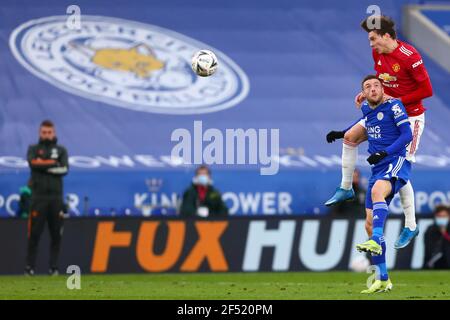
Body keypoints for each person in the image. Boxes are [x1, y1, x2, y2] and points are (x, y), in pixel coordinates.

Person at [325, 15, 433, 250]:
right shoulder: (378, 54)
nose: (370, 44)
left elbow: (427, 89)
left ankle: (411, 225)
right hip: (385, 113)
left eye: (373, 39)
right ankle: (346, 187)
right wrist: (369, 93)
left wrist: (395, 102)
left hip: (410, 117)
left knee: (401, 167)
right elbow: (384, 81)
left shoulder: (410, 56)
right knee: (349, 136)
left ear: (386, 36)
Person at [346, 75, 412, 293]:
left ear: (383, 89)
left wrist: (386, 151)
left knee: (376, 191)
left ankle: (376, 238)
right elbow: (365, 124)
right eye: (368, 87)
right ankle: (383, 278)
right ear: (363, 94)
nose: (373, 89)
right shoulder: (367, 109)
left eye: (377, 85)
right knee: (368, 222)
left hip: (395, 161)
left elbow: (407, 135)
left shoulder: (394, 106)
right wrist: (342, 132)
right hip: (377, 168)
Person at [25, 120, 69, 276]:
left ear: (54, 133)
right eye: (44, 132)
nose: (47, 135)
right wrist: (51, 164)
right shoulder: (33, 148)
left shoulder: (61, 150)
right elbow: (32, 164)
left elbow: (64, 169)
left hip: (56, 199)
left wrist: (42, 165)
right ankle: (29, 268)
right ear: (39, 133)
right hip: (38, 198)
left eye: (49, 132)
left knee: (56, 235)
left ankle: (54, 268)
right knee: (34, 235)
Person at [423, 205, 450, 269]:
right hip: (434, 264)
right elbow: (429, 248)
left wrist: (444, 233)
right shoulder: (430, 230)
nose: (442, 218)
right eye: (439, 216)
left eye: (444, 216)